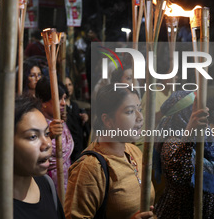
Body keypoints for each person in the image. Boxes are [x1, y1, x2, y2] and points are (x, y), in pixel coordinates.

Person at [0, 96, 65, 218]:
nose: (47, 144)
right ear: (2, 145)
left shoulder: (47, 185)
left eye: (46, 134)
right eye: (33, 136)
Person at [64, 84, 155, 219]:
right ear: (107, 120)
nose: (140, 117)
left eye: (139, 109)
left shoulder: (134, 151)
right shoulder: (90, 168)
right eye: (130, 111)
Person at [153, 91, 214, 218]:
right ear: (183, 114)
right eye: (194, 109)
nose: (206, 112)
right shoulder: (171, 142)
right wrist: (190, 130)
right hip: (182, 212)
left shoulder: (203, 142)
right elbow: (180, 173)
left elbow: (208, 172)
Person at [35, 77, 74, 193]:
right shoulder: (36, 124)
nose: (63, 103)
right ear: (44, 102)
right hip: (48, 184)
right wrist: (49, 136)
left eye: (64, 98)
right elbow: (33, 155)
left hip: (67, 181)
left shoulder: (59, 120)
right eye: (58, 99)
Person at [64, 76, 89, 163]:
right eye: (65, 85)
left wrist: (84, 119)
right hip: (68, 151)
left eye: (70, 84)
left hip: (79, 148)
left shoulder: (75, 106)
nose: (68, 87)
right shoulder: (62, 108)